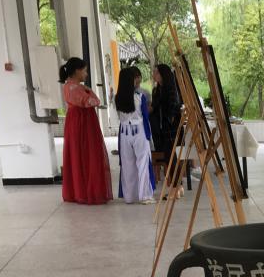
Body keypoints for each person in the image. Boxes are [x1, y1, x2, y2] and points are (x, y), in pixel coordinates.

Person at [59, 56, 112, 205]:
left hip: (76, 122)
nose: (86, 74)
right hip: (82, 124)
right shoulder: (76, 88)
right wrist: (90, 91)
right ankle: (86, 192)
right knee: (87, 154)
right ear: (77, 71)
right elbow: (94, 101)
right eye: (84, 71)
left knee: (77, 155)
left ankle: (78, 191)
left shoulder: (69, 86)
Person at [114, 67, 155, 204]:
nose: (136, 80)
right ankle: (145, 196)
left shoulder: (117, 98)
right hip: (139, 131)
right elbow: (145, 116)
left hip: (124, 132)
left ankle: (129, 196)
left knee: (127, 164)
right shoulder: (139, 97)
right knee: (143, 163)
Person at [151, 63, 182, 158]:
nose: (154, 75)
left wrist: (170, 119)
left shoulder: (172, 89)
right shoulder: (156, 90)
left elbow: (174, 107)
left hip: (171, 128)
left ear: (163, 74)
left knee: (173, 154)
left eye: (156, 73)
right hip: (160, 128)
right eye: (154, 72)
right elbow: (155, 106)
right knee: (165, 154)